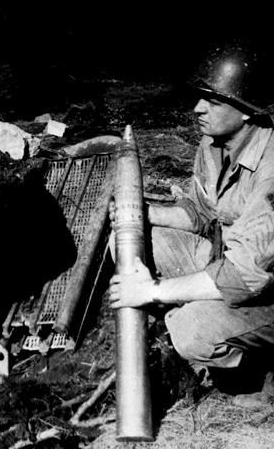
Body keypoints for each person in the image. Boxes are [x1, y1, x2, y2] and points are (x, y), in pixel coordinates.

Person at [109, 42, 274, 404]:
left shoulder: (272, 167)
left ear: (246, 112)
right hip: (227, 263)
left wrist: (154, 290)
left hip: (263, 291)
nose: (197, 109)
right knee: (132, 241)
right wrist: (143, 214)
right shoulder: (215, 142)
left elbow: (244, 277)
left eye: (213, 101)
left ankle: (259, 373)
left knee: (190, 328)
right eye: (199, 97)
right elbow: (201, 213)